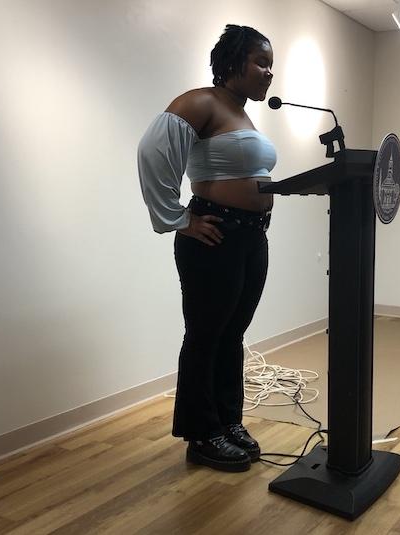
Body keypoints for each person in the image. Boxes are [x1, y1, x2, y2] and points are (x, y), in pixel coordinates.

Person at [137, 24, 275, 472]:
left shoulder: (242, 111)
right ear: (233, 60)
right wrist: (179, 219)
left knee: (232, 333)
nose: (268, 73)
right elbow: (153, 152)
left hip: (252, 235)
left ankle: (228, 420)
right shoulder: (200, 102)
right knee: (205, 334)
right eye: (261, 62)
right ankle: (201, 432)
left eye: (271, 64)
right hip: (215, 234)